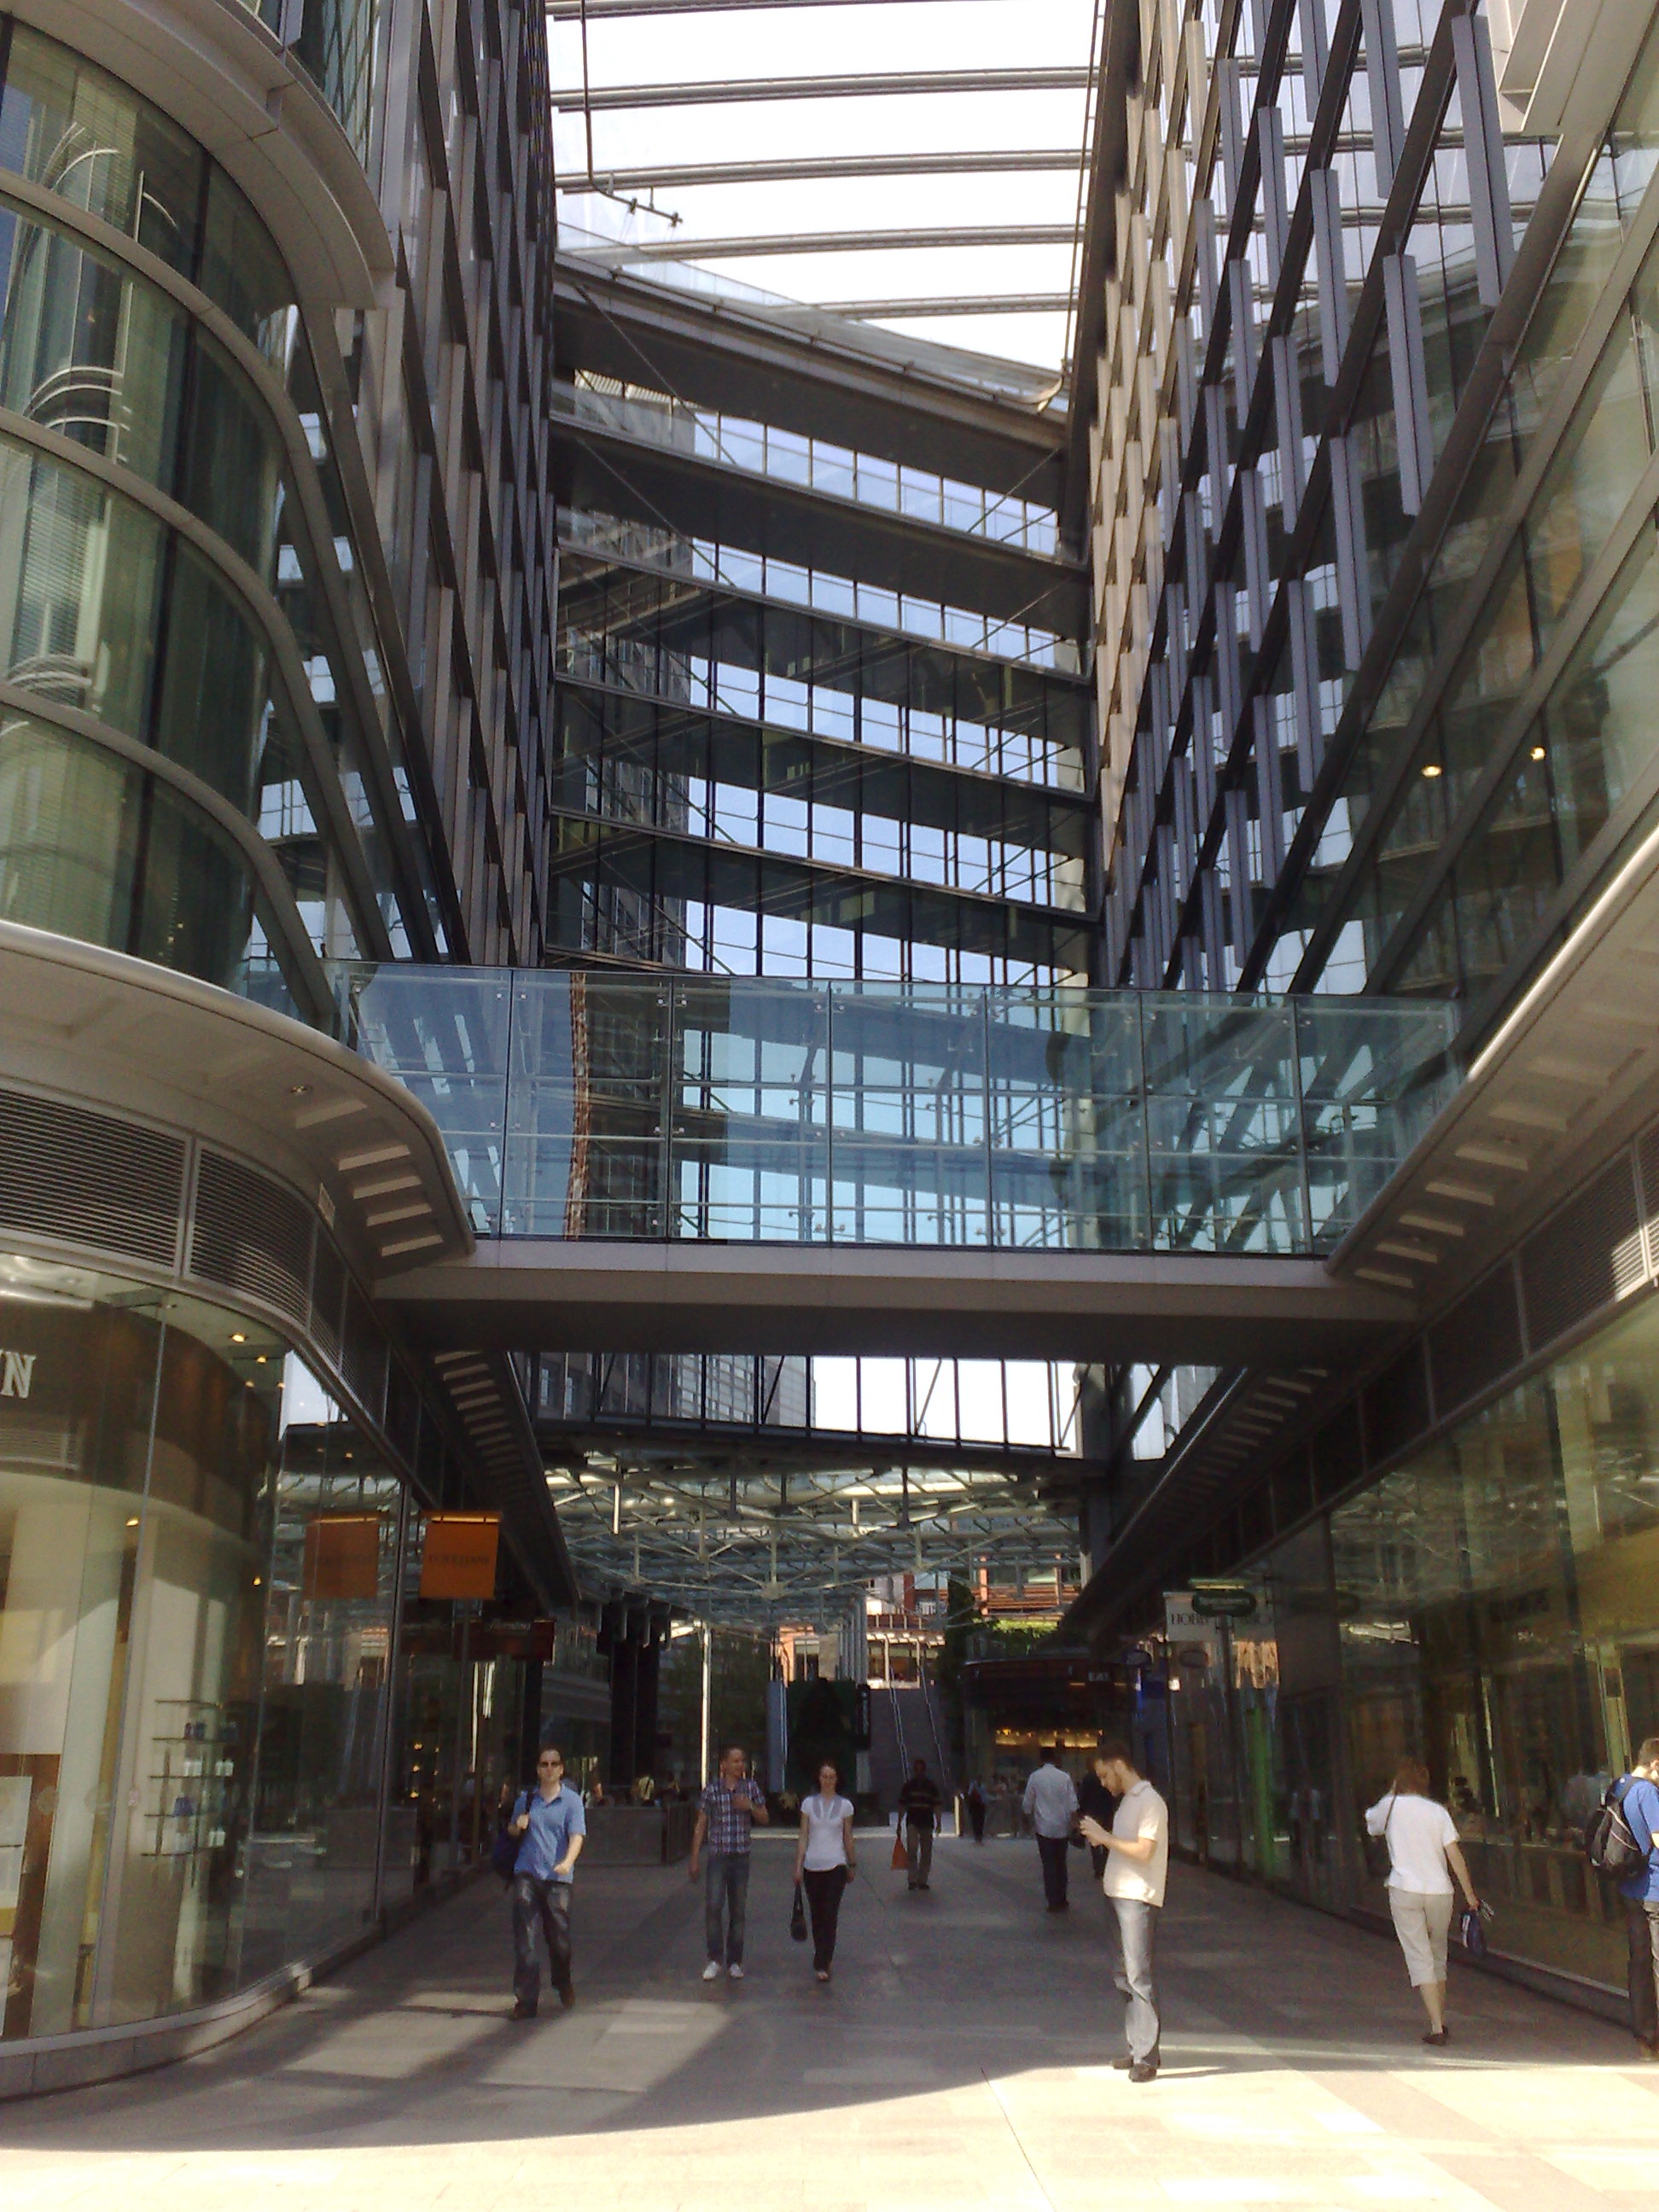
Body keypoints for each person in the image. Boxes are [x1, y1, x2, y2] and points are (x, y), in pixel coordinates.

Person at [1365, 1759, 1481, 2046]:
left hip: (1405, 1889)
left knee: (1419, 1956)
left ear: (1399, 1781)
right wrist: (1469, 1894)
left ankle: (1437, 2027)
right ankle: (1440, 2019)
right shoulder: (1437, 1811)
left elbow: (1371, 1825)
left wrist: (1391, 1792)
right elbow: (1454, 1855)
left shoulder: (1389, 1806)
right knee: (1437, 1954)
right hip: (1440, 1892)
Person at [1080, 1742, 1168, 2083]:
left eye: (1104, 1775)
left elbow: (1145, 1851)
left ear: (1119, 1765)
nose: (1103, 1783)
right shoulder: (1128, 1802)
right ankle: (1137, 2046)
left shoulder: (1150, 1802)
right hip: (1118, 1894)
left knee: (1138, 1976)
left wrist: (1105, 1838)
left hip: (1137, 1896)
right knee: (1124, 1975)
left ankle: (1146, 2056)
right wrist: (1103, 1838)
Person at [506, 1744, 586, 2018]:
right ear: (538, 1769)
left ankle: (562, 1981)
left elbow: (577, 1836)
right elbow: (511, 1831)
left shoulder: (571, 1801)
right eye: (544, 1764)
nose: (549, 1769)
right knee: (525, 1938)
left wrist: (567, 1862)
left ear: (561, 1770)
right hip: (527, 1874)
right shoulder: (527, 1799)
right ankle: (526, 2000)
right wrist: (517, 1826)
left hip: (557, 1879)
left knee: (559, 1940)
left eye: (554, 1764)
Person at [690, 1743, 770, 1980]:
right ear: (723, 1764)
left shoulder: (750, 1787)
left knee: (738, 1910)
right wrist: (694, 1858)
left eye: (742, 1761)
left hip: (741, 1856)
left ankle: (735, 1960)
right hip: (718, 1856)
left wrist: (750, 1806)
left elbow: (765, 1817)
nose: (739, 1765)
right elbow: (701, 1824)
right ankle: (714, 1958)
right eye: (735, 1761)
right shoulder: (712, 1790)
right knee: (714, 1907)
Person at [794, 1758, 857, 1981]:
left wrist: (852, 1862)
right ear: (818, 1779)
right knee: (817, 1913)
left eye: (832, 1777)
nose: (828, 1781)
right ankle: (821, 1952)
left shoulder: (845, 1806)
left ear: (837, 1779)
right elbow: (804, 1835)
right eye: (824, 1777)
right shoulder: (808, 1804)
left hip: (836, 1864)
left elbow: (847, 1836)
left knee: (830, 1912)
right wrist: (798, 1865)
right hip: (812, 1865)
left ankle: (822, 1960)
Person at [1615, 1738, 1659, 2058]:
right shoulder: (1647, 1792)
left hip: (1629, 1888)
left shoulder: (1619, 1786)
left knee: (1640, 1962)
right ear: (1655, 1764)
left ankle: (1645, 2037)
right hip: (1655, 1888)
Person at [1022, 1746, 1079, 1910]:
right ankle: (1062, 1897)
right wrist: (1074, 1822)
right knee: (1061, 1863)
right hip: (1062, 1826)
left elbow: (1028, 1802)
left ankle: (1052, 1900)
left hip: (1043, 1827)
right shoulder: (1065, 1777)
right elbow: (1072, 1802)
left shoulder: (1035, 1777)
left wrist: (1027, 1818)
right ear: (1055, 1759)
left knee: (1048, 1864)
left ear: (1040, 1759)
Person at [898, 1756, 943, 1890]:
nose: (919, 1772)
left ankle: (922, 1880)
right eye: (916, 1770)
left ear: (924, 1770)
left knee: (926, 1851)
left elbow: (937, 1805)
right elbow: (902, 1805)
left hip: (927, 1822)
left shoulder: (931, 1787)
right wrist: (899, 1823)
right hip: (912, 1821)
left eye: (920, 1770)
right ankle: (912, 1879)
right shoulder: (908, 1786)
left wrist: (939, 1822)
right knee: (912, 1849)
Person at [1078, 1754, 1119, 1884]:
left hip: (1093, 1811)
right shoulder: (1106, 1777)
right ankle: (1105, 1864)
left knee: (1094, 1842)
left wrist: (1082, 1811)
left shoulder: (1088, 1778)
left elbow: (1083, 1796)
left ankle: (1097, 1868)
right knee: (1107, 1838)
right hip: (1106, 1811)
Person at [965, 1777, 987, 1844]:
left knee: (981, 1821)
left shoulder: (983, 1786)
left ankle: (980, 1835)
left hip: (981, 1805)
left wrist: (985, 1803)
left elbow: (984, 1796)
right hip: (975, 1805)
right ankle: (976, 1835)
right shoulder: (973, 1785)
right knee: (975, 1820)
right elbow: (970, 1794)